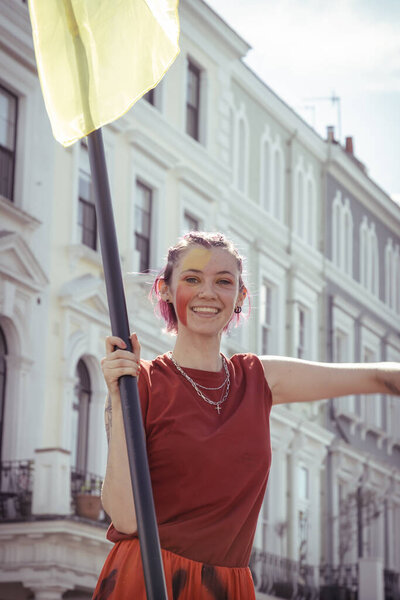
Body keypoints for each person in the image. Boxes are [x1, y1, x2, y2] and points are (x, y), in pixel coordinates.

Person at [92, 231, 399, 600]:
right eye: (192, 279)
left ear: (240, 297)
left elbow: (380, 377)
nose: (208, 292)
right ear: (165, 290)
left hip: (227, 588)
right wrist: (116, 391)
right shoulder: (138, 381)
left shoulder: (256, 379)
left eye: (223, 281)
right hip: (146, 580)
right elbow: (125, 517)